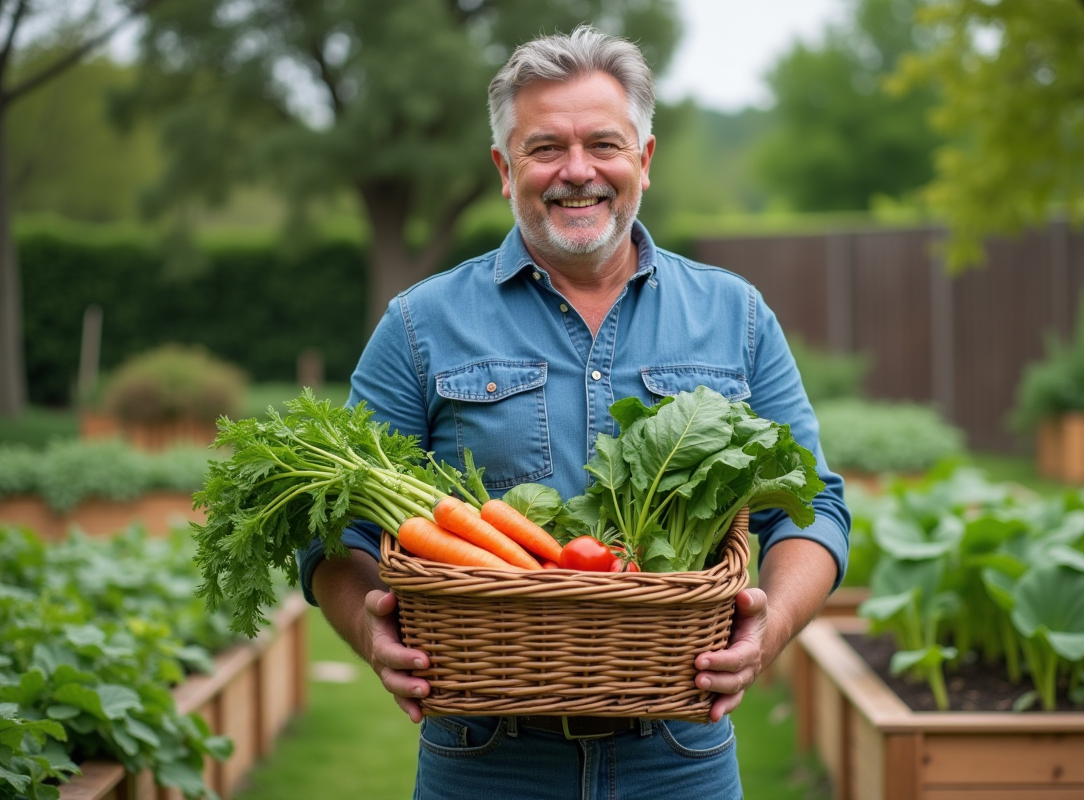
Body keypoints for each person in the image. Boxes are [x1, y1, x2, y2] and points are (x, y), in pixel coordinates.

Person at [298, 24, 850, 800]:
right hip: (488, 756)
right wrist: (369, 630)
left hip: (680, 752)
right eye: (546, 147)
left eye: (604, 144)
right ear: (504, 168)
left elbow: (813, 506)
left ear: (645, 161)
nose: (578, 172)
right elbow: (334, 533)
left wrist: (773, 626)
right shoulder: (420, 326)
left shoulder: (738, 314)